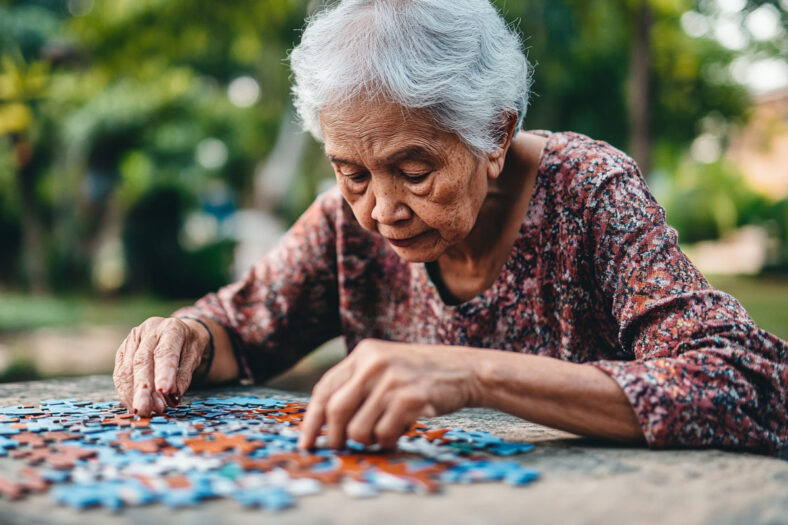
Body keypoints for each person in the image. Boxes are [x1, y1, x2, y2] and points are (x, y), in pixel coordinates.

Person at [112, 0, 787, 456]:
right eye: (352, 172)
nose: (380, 210)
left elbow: (752, 385)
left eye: (413, 168)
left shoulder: (589, 191)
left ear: (497, 133)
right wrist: (186, 338)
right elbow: (239, 331)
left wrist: (473, 374)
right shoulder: (345, 230)